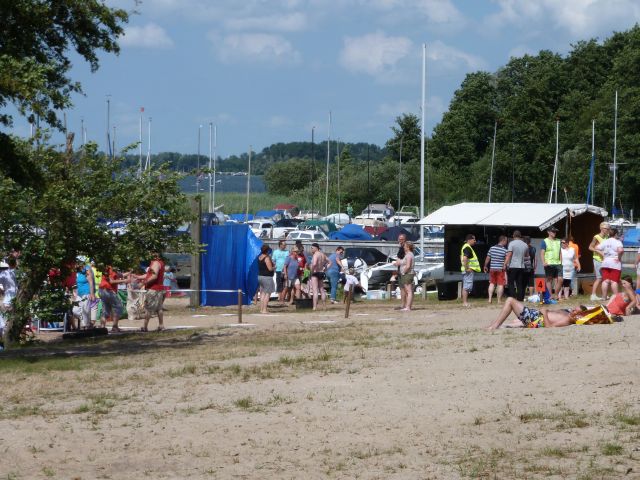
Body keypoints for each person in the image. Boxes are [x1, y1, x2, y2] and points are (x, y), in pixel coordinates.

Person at [487, 297, 594, 330]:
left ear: (579, 315)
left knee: (510, 300)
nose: (572, 311)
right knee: (514, 322)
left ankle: (494, 327)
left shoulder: (567, 320)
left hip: (535, 318)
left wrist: (544, 313)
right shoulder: (568, 314)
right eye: (573, 309)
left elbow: (549, 327)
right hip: (535, 317)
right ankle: (495, 325)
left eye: (575, 311)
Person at [138, 252, 166, 332]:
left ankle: (145, 327)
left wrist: (143, 283)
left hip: (153, 289)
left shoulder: (155, 263)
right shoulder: (160, 263)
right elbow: (149, 275)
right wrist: (138, 277)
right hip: (159, 289)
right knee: (159, 308)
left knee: (148, 308)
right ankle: (161, 325)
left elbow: (154, 276)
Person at [98, 265, 128, 333]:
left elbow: (120, 275)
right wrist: (124, 280)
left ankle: (102, 328)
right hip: (108, 290)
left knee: (105, 309)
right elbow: (111, 281)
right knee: (118, 307)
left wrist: (130, 272)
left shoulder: (109, 268)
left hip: (102, 290)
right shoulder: (110, 268)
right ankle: (115, 327)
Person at [597, 227, 623, 300]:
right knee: (614, 281)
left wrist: (603, 254)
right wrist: (619, 257)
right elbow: (620, 250)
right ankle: (616, 297)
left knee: (605, 280)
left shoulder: (605, 241)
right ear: (616, 234)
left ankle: (604, 297)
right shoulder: (617, 242)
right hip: (614, 262)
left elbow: (597, 248)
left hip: (605, 262)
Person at [505, 230, 529, 301]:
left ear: (513, 236)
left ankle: (513, 297)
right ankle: (520, 298)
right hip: (521, 266)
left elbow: (509, 255)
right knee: (519, 283)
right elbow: (527, 255)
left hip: (513, 266)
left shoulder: (511, 243)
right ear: (520, 236)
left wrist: (505, 264)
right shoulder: (525, 245)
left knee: (511, 282)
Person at [73, 256, 96, 329]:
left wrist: (92, 294)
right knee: (75, 310)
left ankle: (86, 326)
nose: (75, 263)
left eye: (76, 262)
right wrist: (75, 294)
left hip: (87, 292)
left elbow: (91, 282)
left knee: (85, 310)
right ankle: (87, 323)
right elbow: (76, 284)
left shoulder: (87, 268)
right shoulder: (77, 271)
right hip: (79, 294)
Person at [588, 222, 609, 301]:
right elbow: (590, 247)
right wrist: (599, 252)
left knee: (605, 278)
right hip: (598, 259)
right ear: (601, 228)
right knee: (599, 278)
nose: (607, 230)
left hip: (605, 260)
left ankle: (604, 295)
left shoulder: (607, 237)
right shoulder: (596, 237)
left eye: (608, 228)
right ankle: (593, 295)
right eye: (605, 228)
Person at [540, 226, 562, 300]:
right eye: (553, 231)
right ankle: (550, 295)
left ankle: (555, 295)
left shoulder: (559, 241)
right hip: (549, 263)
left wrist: (561, 262)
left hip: (558, 263)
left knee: (560, 280)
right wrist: (543, 262)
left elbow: (560, 252)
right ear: (548, 232)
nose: (555, 233)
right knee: (549, 280)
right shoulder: (545, 241)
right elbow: (542, 253)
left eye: (555, 231)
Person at [483, 235, 507, 304]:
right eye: (506, 241)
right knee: (500, 284)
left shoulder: (492, 248)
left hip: (492, 268)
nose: (506, 242)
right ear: (503, 240)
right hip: (500, 269)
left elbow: (488, 258)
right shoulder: (505, 250)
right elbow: (506, 260)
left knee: (492, 283)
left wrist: (485, 265)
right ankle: (499, 300)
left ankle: (490, 299)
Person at [460, 234, 480, 307]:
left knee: (466, 286)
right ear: (469, 240)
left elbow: (461, 257)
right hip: (468, 270)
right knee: (467, 287)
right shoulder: (467, 247)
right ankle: (465, 303)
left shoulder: (465, 247)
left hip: (467, 270)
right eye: (474, 240)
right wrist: (467, 268)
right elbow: (465, 258)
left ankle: (465, 302)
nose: (475, 241)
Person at [395, 240, 415, 311]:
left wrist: (403, 272)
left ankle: (408, 307)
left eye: (405, 246)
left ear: (408, 247)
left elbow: (408, 266)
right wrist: (398, 263)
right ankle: (408, 306)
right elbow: (404, 262)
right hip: (407, 274)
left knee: (408, 291)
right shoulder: (408, 254)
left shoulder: (409, 255)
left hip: (407, 274)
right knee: (407, 291)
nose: (404, 247)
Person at [310, 243, 330, 310]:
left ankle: (314, 307)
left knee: (315, 290)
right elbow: (330, 262)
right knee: (322, 290)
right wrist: (325, 269)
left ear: (316, 248)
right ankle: (324, 306)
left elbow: (315, 263)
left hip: (315, 273)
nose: (311, 249)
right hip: (321, 272)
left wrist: (311, 270)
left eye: (312, 248)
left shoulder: (316, 254)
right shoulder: (322, 254)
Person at [257, 244, 275, 314]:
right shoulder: (267, 258)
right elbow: (270, 269)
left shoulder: (260, 257)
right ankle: (264, 309)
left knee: (262, 294)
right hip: (267, 277)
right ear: (267, 250)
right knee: (267, 294)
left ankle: (261, 309)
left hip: (260, 276)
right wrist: (274, 267)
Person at [392, 233, 407, 310]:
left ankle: (405, 305)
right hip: (400, 269)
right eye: (399, 239)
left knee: (405, 288)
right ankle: (403, 305)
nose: (400, 240)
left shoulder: (405, 248)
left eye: (402, 239)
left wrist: (397, 262)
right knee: (401, 287)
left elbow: (405, 260)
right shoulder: (400, 247)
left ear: (405, 240)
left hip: (404, 269)